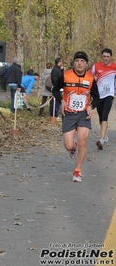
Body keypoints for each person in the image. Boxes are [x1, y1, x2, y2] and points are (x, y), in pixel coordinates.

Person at [52, 51, 99, 182]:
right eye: (77, 60)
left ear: (86, 64)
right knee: (69, 146)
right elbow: (54, 89)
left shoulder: (90, 79)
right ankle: (74, 147)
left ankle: (77, 171)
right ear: (73, 63)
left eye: (82, 61)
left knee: (83, 142)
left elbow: (97, 97)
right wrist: (61, 100)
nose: (79, 63)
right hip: (69, 113)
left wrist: (92, 106)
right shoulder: (65, 75)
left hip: (84, 114)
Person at [90, 48, 116, 150]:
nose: (105, 58)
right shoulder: (96, 66)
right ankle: (104, 135)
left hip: (109, 95)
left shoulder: (114, 67)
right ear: (102, 57)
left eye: (107, 57)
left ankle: (101, 140)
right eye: (104, 56)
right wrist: (93, 78)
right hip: (98, 96)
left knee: (105, 115)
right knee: (101, 118)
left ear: (111, 57)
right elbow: (88, 76)